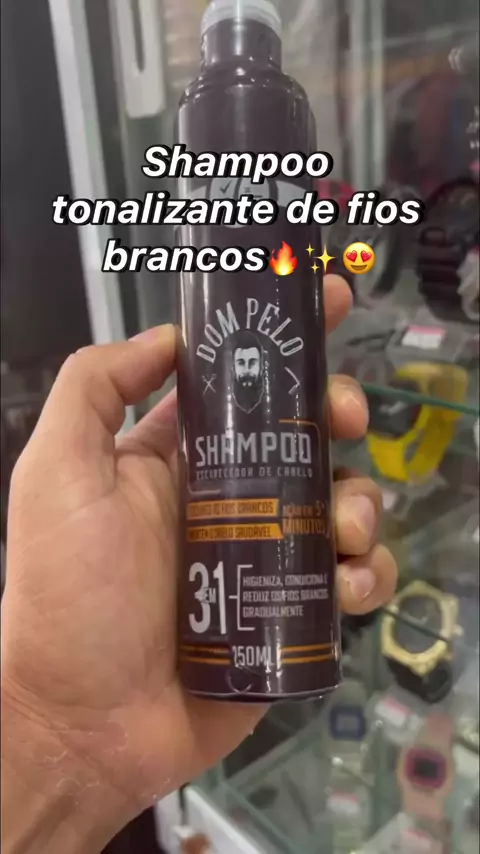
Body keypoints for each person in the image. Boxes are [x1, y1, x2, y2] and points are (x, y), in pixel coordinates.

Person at [1, 275, 398, 854]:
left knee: (334, 475)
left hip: (274, 633)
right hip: (196, 639)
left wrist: (50, 743)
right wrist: (48, 726)